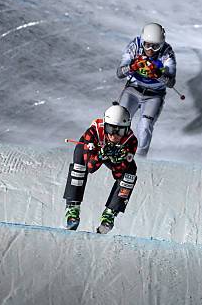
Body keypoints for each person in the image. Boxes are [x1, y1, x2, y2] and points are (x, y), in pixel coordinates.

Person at [63, 103, 138, 234]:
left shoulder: (131, 141)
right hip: (93, 153)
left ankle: (110, 213)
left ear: (127, 129)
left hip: (105, 155)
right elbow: (91, 167)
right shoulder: (93, 132)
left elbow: (118, 173)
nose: (114, 136)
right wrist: (102, 154)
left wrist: (117, 161)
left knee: (130, 171)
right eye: (111, 129)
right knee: (79, 164)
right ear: (105, 125)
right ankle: (72, 208)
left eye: (120, 131)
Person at [116, 22, 176, 157]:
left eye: (156, 47)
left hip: (154, 95)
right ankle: (115, 148)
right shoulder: (135, 46)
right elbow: (119, 73)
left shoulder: (167, 52)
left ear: (162, 44)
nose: (150, 50)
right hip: (133, 90)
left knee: (145, 125)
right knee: (120, 119)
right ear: (142, 41)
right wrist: (132, 67)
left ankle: (140, 158)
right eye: (147, 44)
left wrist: (159, 75)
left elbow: (171, 82)